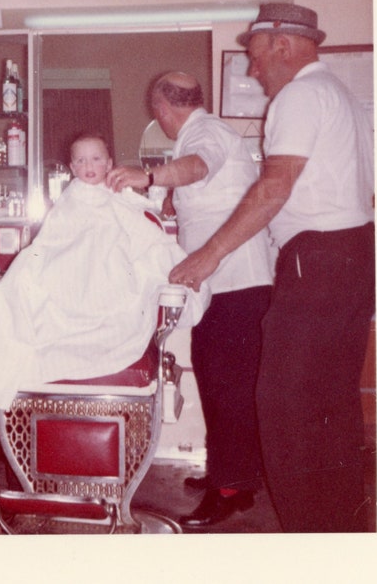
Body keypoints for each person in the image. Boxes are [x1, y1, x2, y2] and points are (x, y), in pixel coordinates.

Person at [169, 2, 375, 532]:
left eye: (255, 56)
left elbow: (275, 184)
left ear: (282, 45)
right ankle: (344, 526)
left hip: (318, 258)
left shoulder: (300, 95)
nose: (252, 70)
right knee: (332, 405)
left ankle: (310, 533)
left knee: (285, 405)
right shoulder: (340, 96)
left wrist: (208, 255)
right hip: (352, 253)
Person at [108, 73, 274, 527]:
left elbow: (198, 167)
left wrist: (147, 176)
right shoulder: (200, 134)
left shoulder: (205, 132)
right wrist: (167, 201)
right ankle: (234, 473)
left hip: (238, 280)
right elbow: (201, 185)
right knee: (222, 381)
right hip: (224, 282)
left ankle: (231, 489)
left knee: (227, 386)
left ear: (162, 109)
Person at [0, 131, 209, 414]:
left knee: (122, 273)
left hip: (109, 269)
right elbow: (51, 241)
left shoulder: (120, 199)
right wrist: (30, 265)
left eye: (95, 159)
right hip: (69, 269)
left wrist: (162, 259)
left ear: (109, 163)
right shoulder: (69, 200)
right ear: (72, 168)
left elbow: (144, 236)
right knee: (12, 290)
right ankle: (4, 378)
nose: (89, 166)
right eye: (81, 161)